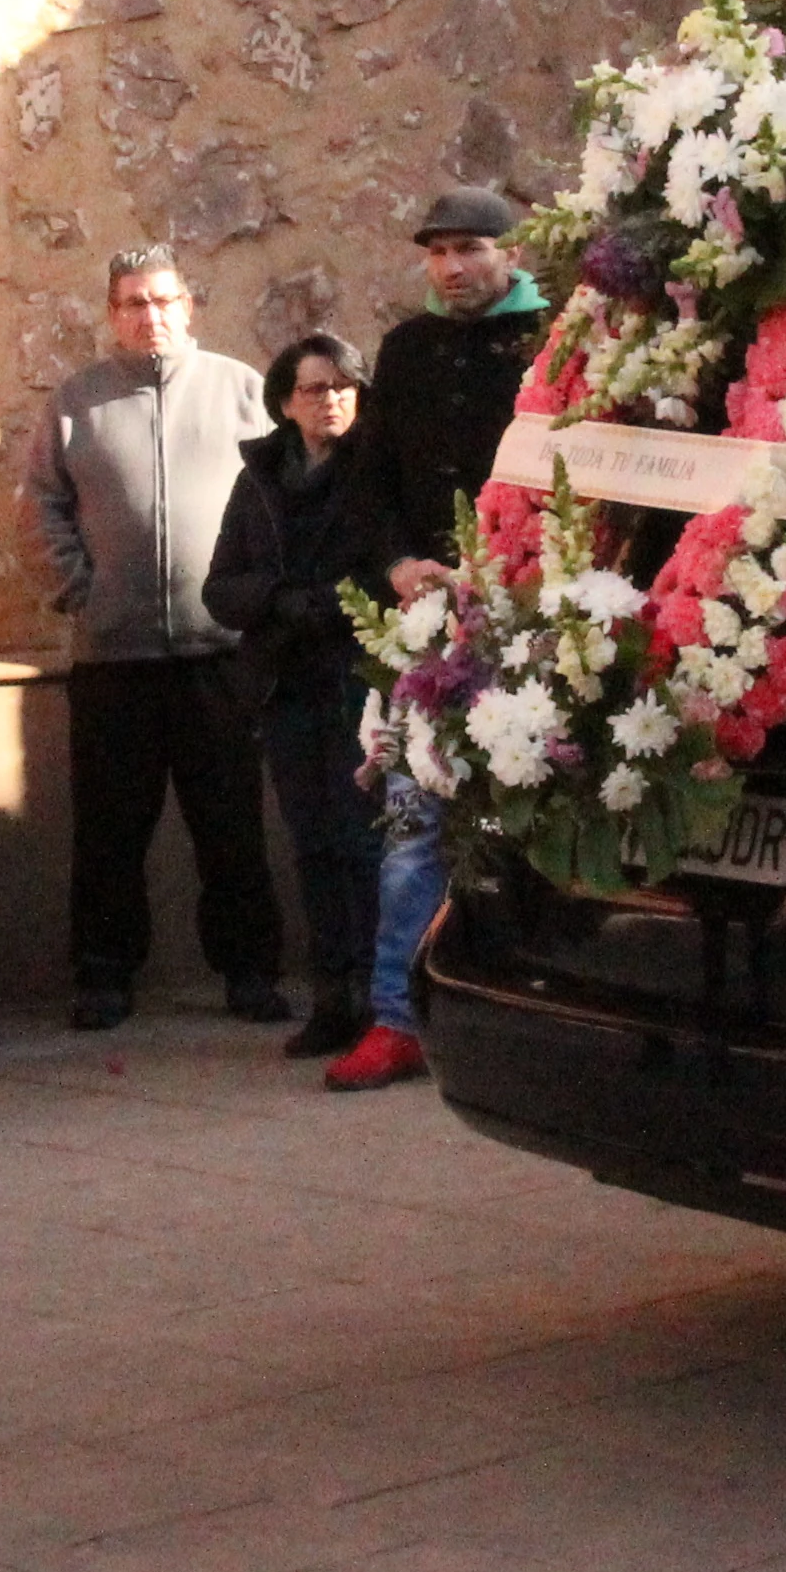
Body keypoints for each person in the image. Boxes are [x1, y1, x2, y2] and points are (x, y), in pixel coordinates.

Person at [321, 188, 552, 1093]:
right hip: (429, 623)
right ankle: (396, 1018)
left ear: (510, 253)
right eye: (437, 252)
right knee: (414, 823)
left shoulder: (552, 341)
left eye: (469, 249)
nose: (451, 267)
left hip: (536, 620)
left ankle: (537, 1015)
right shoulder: (407, 351)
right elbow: (370, 482)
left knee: (533, 820)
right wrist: (398, 563)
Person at [23, 246, 283, 1031]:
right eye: (133, 303)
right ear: (112, 314)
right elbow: (41, 505)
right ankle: (103, 975)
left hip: (219, 656)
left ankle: (250, 970)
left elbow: (279, 507)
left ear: (189, 305)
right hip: (115, 659)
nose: (151, 315)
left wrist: (255, 599)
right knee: (107, 831)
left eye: (164, 300)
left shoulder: (242, 392)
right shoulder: (78, 402)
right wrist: (83, 591)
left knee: (231, 827)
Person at [204, 331, 380, 1061]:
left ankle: (382, 1002)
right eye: (315, 389)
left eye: (343, 387)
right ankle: (331, 1000)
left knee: (362, 843)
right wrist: (279, 600)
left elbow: (391, 563)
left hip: (360, 683)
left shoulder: (374, 471)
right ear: (285, 402)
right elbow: (221, 587)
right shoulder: (262, 478)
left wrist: (338, 606)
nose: (331, 400)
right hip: (286, 684)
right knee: (311, 845)